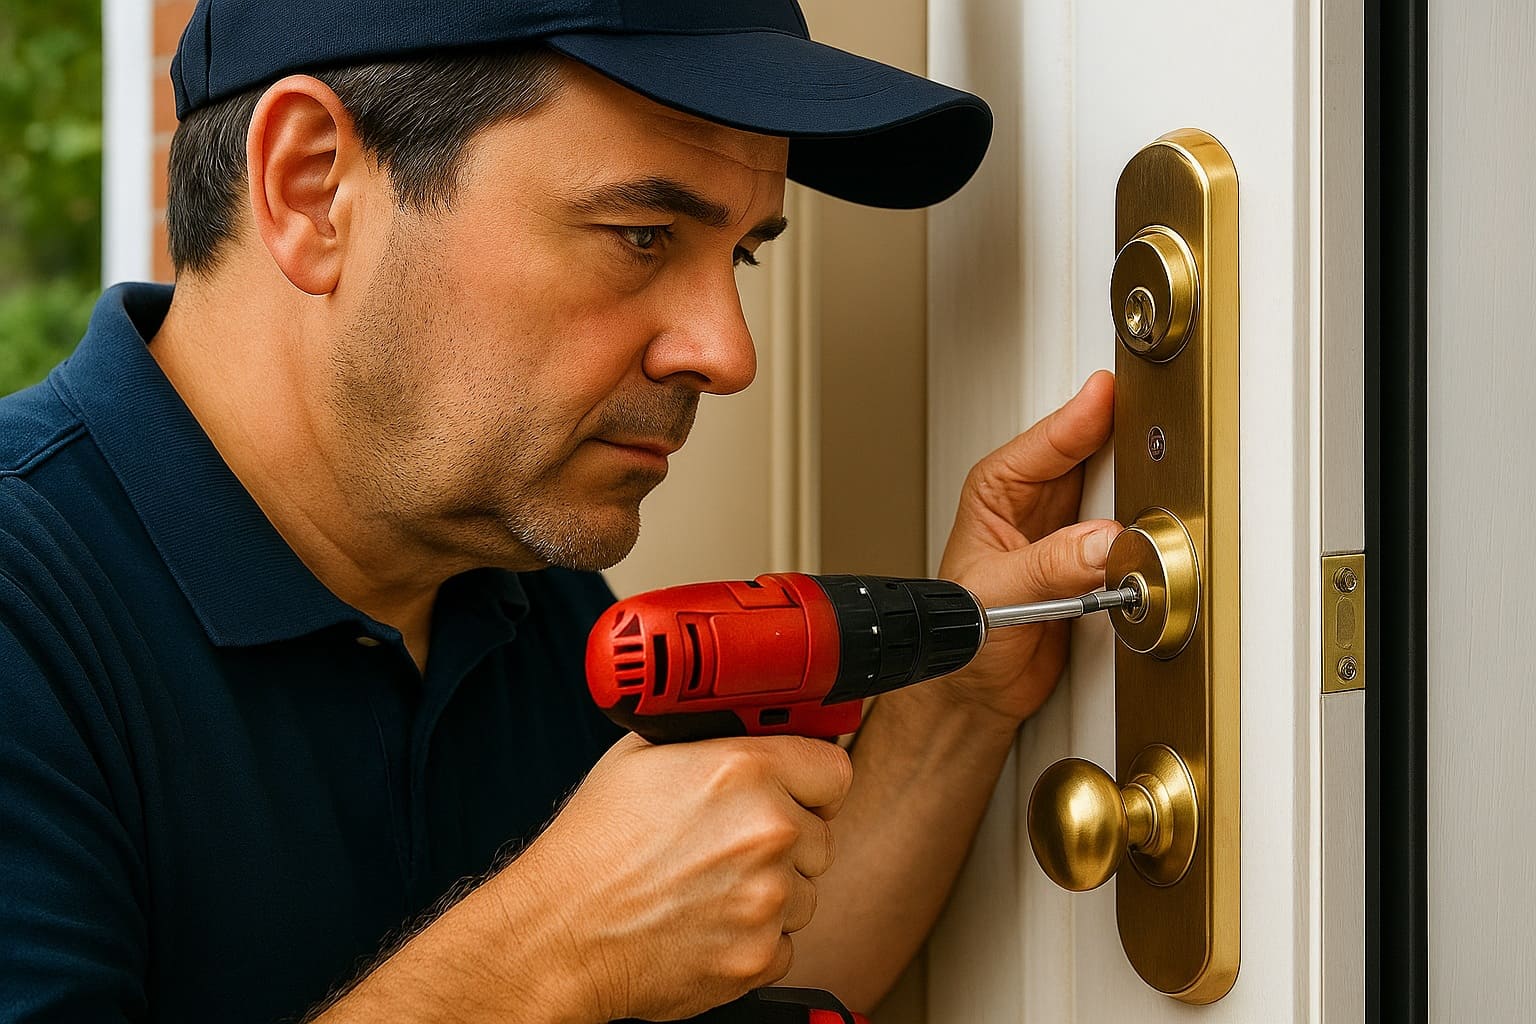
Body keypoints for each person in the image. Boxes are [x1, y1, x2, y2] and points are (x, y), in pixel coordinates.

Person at [0, 1, 1121, 1021]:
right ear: (311, 187)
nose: (727, 352)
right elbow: (588, 949)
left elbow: (724, 978)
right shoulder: (30, 609)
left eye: (741, 255)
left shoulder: (514, 585)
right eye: (642, 235)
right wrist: (544, 952)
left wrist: (964, 699)